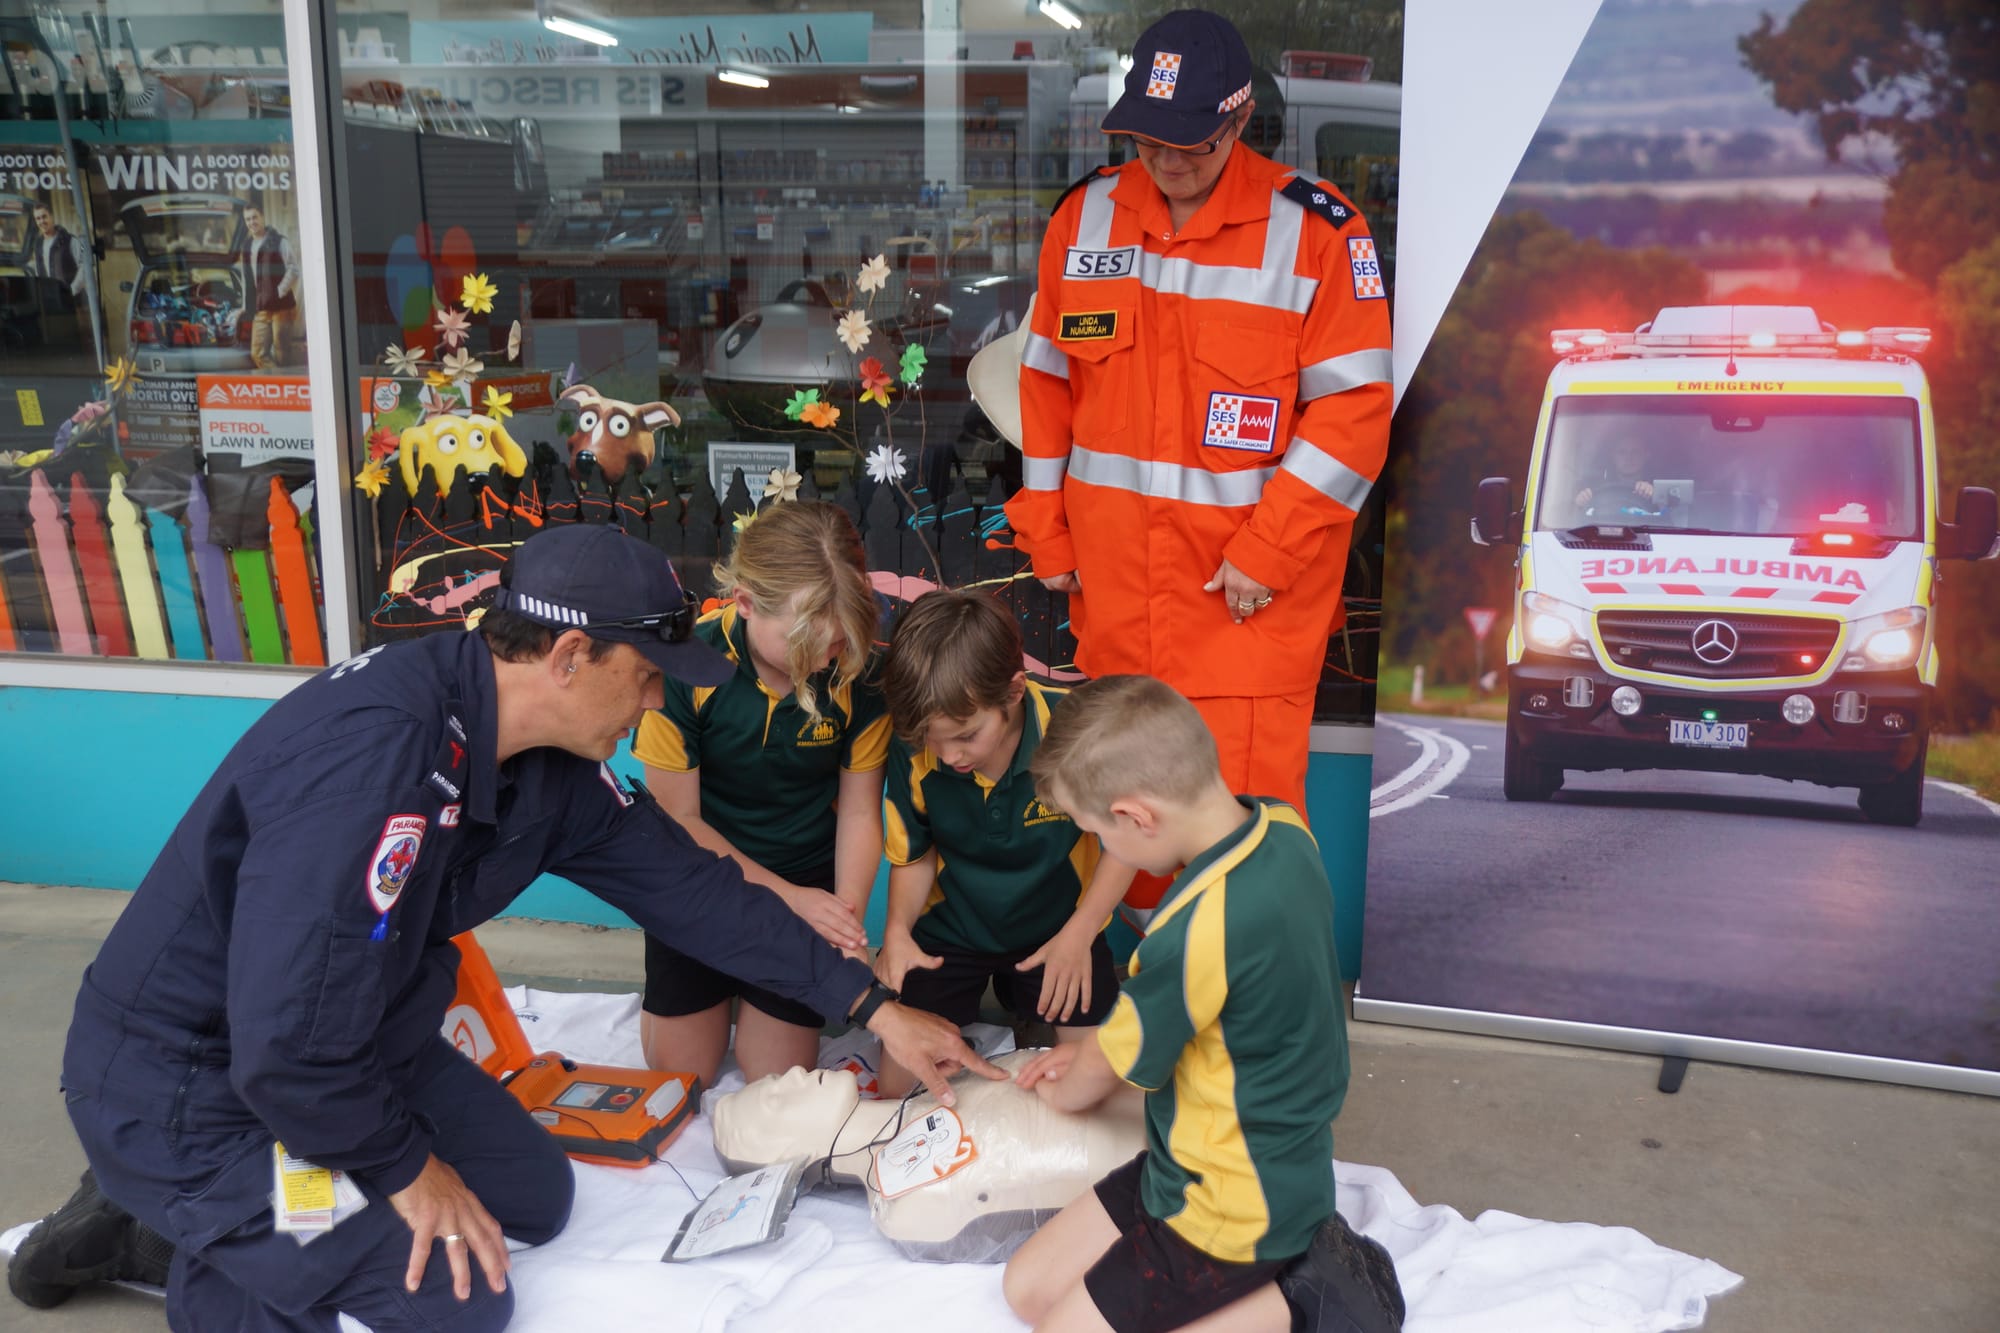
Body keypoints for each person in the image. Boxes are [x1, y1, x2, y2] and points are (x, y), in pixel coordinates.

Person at [10, 523, 1001, 1331]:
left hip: (355, 1044)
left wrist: (873, 1004)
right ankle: (172, 1225)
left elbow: (696, 893)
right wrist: (404, 1169)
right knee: (453, 1290)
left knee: (530, 1195)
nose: (662, 698)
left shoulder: (548, 770)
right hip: (200, 1083)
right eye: (648, 673)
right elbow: (282, 1047)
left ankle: (211, 1222)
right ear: (571, 655)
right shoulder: (373, 767)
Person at [1004, 9, 1393, 826]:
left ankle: (1231, 962)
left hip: (1244, 613)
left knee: (1241, 843)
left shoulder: (1319, 234)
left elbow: (1354, 416)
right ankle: (1144, 960)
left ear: (1241, 118)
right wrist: (1048, 532)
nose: (1170, 163)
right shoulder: (1084, 220)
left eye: (1194, 144)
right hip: (1115, 607)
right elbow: (1044, 386)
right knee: (1123, 831)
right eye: (1150, 143)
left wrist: (1268, 549)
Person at [1000, 675, 1405, 1333]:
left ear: (1136, 816)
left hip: (1229, 1208)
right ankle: (1297, 1242)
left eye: (1099, 831)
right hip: (1204, 1158)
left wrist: (1062, 1084)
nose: (1107, 847)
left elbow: (1088, 1082)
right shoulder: (1282, 824)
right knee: (1027, 1289)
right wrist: (1088, 1063)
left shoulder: (1189, 933)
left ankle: (1312, 1295)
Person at [630, 500, 889, 1088]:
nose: (825, 660)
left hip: (803, 874)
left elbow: (857, 811)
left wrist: (844, 921)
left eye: (838, 640)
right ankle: (714, 991)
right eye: (806, 642)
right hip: (697, 878)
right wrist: (792, 899)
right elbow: (679, 820)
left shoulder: (858, 675)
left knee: (777, 1074)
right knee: (680, 1072)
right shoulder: (685, 667)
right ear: (745, 603)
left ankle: (760, 993)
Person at [873, 589, 1136, 1098]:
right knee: (897, 1089)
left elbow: (1124, 842)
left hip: (1058, 930)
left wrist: (1080, 933)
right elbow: (914, 855)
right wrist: (898, 932)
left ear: (1014, 693)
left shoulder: (1075, 728)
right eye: (933, 738)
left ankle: (1035, 1009)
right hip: (950, 931)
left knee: (1097, 1089)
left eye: (966, 735)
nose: (949, 755)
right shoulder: (915, 746)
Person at [240, 204, 299, 370]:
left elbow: (293, 269)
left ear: (263, 217)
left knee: (282, 353)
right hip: (261, 308)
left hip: (282, 307)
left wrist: (279, 292)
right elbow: (247, 279)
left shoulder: (279, 241)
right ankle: (280, 384)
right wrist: (245, 305)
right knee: (257, 353)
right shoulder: (246, 246)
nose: (252, 222)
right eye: (248, 219)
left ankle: (285, 387)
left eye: (254, 217)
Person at [1572, 437, 1656, 519]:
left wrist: (1655, 496)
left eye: (1636, 452)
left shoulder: (1657, 489)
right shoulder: (1595, 488)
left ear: (1646, 455)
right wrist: (1580, 503)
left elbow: (1665, 518)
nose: (1628, 458)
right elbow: (1572, 519)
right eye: (1622, 452)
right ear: (1613, 456)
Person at [27, 202, 83, 318]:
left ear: (51, 216)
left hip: (72, 302)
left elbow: (84, 267)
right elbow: (38, 270)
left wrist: (72, 290)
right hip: (49, 303)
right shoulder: (37, 244)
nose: (42, 221)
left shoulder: (70, 240)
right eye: (38, 218)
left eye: (44, 216)